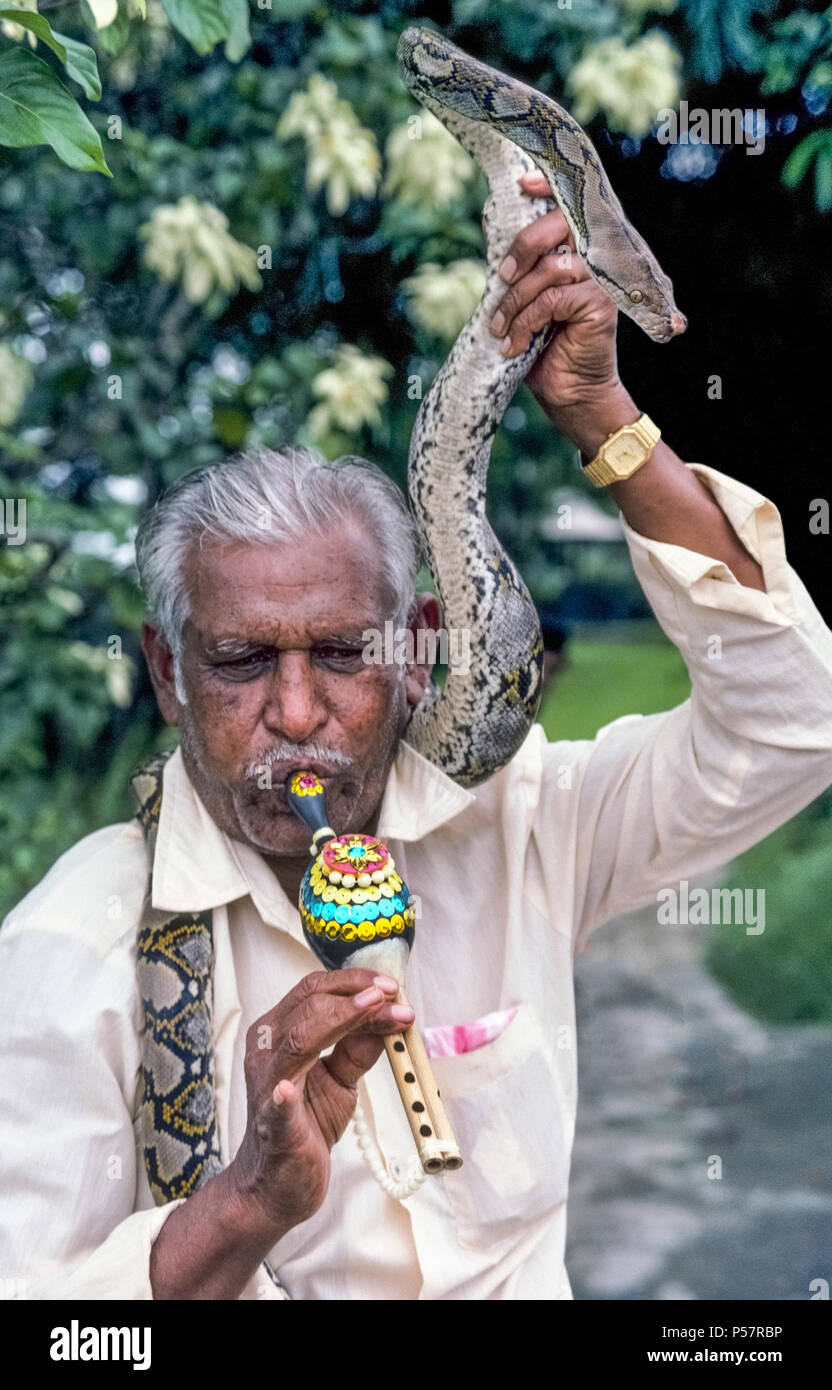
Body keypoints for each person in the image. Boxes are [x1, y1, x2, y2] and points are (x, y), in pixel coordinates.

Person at [2, 170, 831, 1302]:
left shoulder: (525, 819)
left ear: (418, 650)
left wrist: (602, 420)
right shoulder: (71, 951)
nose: (296, 716)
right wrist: (245, 1202)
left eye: (344, 655)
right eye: (242, 663)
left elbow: (797, 720)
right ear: (166, 672)